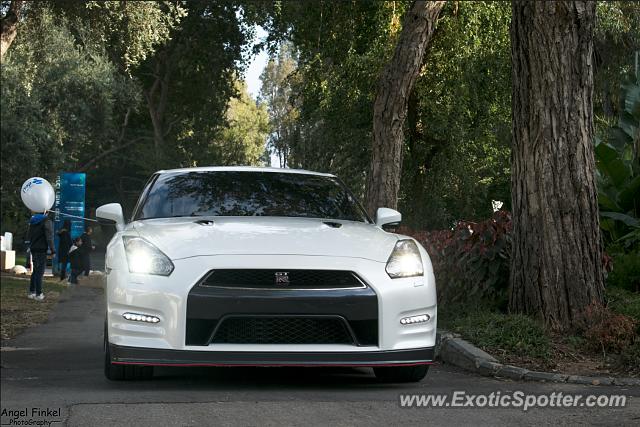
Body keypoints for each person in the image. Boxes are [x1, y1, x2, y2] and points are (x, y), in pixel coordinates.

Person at [27, 210, 55, 301]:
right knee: (40, 272)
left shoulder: (32, 221)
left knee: (35, 270)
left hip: (33, 248)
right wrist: (53, 250)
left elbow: (29, 235)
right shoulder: (47, 221)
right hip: (41, 249)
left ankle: (32, 292)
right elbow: (49, 238)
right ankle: (39, 294)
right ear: (46, 212)